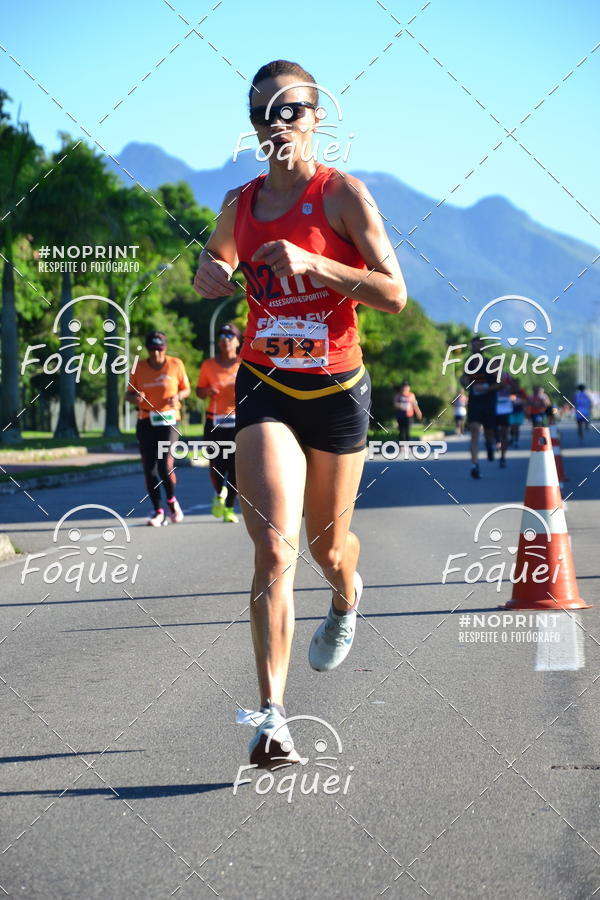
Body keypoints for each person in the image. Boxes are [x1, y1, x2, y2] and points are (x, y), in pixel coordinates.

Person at [193, 59, 406, 768]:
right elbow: (215, 262)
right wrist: (209, 272)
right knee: (273, 547)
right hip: (266, 384)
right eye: (264, 113)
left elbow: (394, 293)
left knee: (326, 549)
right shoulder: (239, 203)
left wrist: (318, 266)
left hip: (337, 391)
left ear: (317, 118)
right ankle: (272, 718)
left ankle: (346, 598)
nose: (277, 123)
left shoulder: (342, 195)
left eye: (291, 109)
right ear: (253, 126)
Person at [126, 330, 191, 526]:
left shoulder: (176, 364)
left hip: (169, 420)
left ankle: (171, 501)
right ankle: (158, 510)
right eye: (152, 350)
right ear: (148, 349)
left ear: (165, 348)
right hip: (146, 420)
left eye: (159, 349)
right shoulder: (138, 367)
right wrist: (135, 398)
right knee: (149, 468)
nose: (156, 354)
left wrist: (177, 396)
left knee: (164, 465)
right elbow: (128, 394)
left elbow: (186, 389)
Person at [196, 323, 241, 523]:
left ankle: (229, 507)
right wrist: (207, 391)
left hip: (238, 421)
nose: (225, 340)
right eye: (221, 336)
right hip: (214, 422)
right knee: (216, 464)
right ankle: (218, 493)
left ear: (238, 341)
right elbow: (199, 391)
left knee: (236, 466)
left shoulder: (244, 364)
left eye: (230, 336)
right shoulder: (208, 365)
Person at [460, 336, 499, 479]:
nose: (476, 347)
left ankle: (490, 445)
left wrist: (487, 388)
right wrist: (464, 382)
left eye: (478, 345)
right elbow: (464, 379)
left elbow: (501, 383)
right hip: (474, 402)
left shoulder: (490, 363)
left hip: (489, 402)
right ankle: (475, 465)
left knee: (489, 431)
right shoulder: (469, 364)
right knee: (475, 431)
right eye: (473, 345)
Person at [494, 372, 514, 468]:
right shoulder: (491, 375)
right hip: (493, 408)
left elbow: (513, 390)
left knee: (505, 434)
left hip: (506, 409)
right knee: (494, 430)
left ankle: (503, 457)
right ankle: (497, 441)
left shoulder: (507, 376)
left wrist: (506, 386)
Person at [508, 379, 527, 448]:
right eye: (513, 383)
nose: (514, 385)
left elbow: (525, 400)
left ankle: (516, 441)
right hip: (510, 411)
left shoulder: (521, 391)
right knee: (512, 426)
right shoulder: (509, 391)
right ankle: (512, 438)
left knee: (517, 427)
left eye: (515, 383)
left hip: (519, 411)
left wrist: (519, 401)